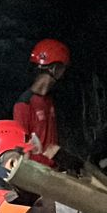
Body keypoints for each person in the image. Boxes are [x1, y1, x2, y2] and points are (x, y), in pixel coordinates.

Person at [14, 38, 70, 166]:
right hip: (39, 176)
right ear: (55, 69)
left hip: (53, 170)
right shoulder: (24, 104)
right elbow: (24, 152)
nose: (64, 73)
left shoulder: (49, 100)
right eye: (63, 68)